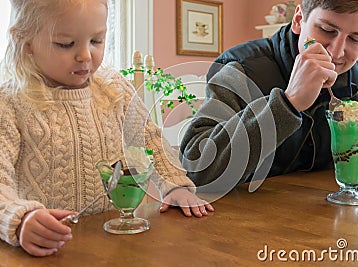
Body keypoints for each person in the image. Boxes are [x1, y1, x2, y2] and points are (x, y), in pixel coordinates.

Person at [0, 0, 213, 257]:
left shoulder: (114, 88)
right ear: (26, 41)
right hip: (51, 251)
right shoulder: (11, 101)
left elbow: (149, 140)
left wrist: (175, 185)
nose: (85, 56)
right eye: (66, 44)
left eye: (97, 41)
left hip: (116, 245)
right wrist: (20, 218)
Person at [180, 0, 358, 200]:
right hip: (238, 227)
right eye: (327, 30)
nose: (337, 52)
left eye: (355, 39)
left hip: (327, 227)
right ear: (298, 20)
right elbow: (196, 168)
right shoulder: (241, 70)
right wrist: (287, 103)